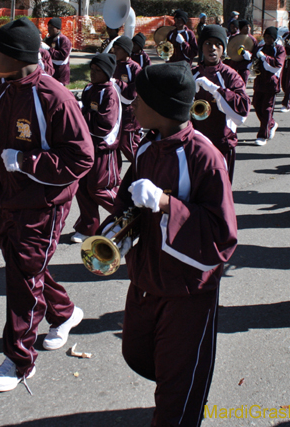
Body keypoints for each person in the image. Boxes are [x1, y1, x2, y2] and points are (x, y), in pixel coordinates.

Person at [104, 60, 237, 426]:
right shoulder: (147, 149)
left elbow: (222, 237)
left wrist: (165, 205)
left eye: (139, 99)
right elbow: (126, 204)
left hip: (187, 291)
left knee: (180, 386)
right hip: (146, 280)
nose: (132, 105)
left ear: (161, 108)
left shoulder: (205, 156)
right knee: (139, 353)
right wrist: (113, 232)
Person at [0, 18, 93, 393]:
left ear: (18, 56)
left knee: (23, 277)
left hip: (43, 203)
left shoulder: (54, 96)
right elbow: (4, 140)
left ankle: (20, 360)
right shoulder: (5, 89)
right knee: (25, 267)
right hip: (9, 196)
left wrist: (24, 162)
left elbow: (80, 158)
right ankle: (65, 312)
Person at [71, 53, 121, 243]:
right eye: (92, 69)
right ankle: (87, 227)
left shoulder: (110, 92)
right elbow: (83, 112)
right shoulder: (90, 88)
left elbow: (105, 124)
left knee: (99, 187)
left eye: (98, 71)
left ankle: (128, 217)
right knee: (81, 186)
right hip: (86, 146)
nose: (93, 74)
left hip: (103, 148)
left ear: (107, 73)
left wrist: (83, 115)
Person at [191, 24, 250, 180]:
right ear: (201, 47)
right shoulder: (192, 73)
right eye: (208, 43)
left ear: (223, 49)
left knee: (221, 191)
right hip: (196, 144)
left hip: (221, 143)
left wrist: (214, 89)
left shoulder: (231, 76)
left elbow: (242, 111)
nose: (213, 48)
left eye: (218, 44)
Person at [251, 26, 286, 147]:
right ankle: (271, 124)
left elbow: (278, 63)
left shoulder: (279, 49)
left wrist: (265, 58)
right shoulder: (260, 47)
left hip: (271, 83)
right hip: (259, 82)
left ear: (274, 38)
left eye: (269, 37)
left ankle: (262, 135)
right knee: (256, 105)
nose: (266, 39)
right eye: (265, 37)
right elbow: (253, 59)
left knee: (266, 109)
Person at [111, 36, 143, 165]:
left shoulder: (134, 68)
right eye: (114, 48)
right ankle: (115, 178)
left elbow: (132, 94)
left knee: (127, 144)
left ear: (126, 51)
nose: (115, 51)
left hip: (128, 114)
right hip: (114, 112)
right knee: (114, 145)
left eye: (118, 49)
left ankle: (142, 167)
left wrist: (117, 83)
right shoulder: (113, 64)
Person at [45, 17, 72, 86]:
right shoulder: (48, 39)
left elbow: (61, 56)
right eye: (48, 27)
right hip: (50, 73)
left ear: (58, 29)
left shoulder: (64, 40)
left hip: (60, 75)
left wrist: (48, 49)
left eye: (51, 27)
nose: (49, 29)